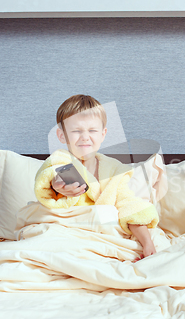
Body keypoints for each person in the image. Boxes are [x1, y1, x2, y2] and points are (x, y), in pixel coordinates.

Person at [34, 94, 158, 259]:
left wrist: (147, 243)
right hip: (67, 232)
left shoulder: (114, 171)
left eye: (92, 130)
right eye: (76, 131)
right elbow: (51, 176)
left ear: (103, 134)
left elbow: (129, 206)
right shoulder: (60, 160)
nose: (85, 137)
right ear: (62, 135)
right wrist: (57, 186)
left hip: (101, 236)